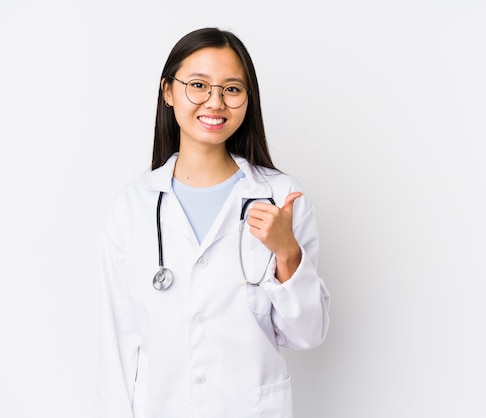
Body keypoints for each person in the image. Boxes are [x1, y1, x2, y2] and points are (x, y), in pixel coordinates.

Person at [96, 27, 330, 418]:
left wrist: (287, 252)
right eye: (199, 85)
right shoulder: (131, 207)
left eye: (232, 89)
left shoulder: (282, 197)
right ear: (168, 92)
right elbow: (119, 347)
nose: (215, 102)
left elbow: (306, 335)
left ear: (247, 99)